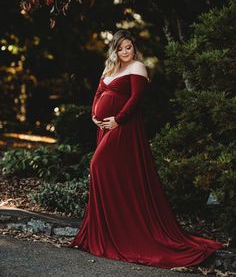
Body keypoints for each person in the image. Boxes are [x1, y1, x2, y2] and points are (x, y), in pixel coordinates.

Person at [69, 29, 223, 269]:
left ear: (134, 48)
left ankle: (126, 231)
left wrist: (118, 119)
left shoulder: (137, 67)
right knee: (112, 174)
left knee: (97, 166)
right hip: (104, 128)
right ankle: (111, 229)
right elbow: (98, 93)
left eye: (128, 48)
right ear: (115, 50)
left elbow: (136, 99)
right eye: (120, 49)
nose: (125, 52)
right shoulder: (109, 68)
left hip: (123, 128)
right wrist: (94, 115)